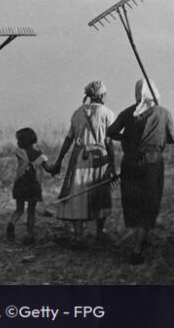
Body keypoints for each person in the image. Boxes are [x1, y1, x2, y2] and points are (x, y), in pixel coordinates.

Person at [107, 79, 174, 264]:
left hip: (130, 161)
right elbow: (173, 138)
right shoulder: (163, 112)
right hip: (152, 163)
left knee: (134, 201)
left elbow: (110, 132)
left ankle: (140, 238)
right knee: (149, 201)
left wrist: (126, 137)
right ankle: (138, 246)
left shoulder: (129, 112)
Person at [51, 80, 116, 243]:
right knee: (100, 194)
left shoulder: (78, 112)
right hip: (100, 158)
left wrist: (59, 160)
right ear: (101, 95)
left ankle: (78, 235)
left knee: (77, 196)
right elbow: (109, 141)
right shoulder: (107, 113)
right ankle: (99, 232)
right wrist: (113, 166)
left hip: (79, 158)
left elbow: (69, 139)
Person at [6, 127, 52, 245]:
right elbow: (47, 168)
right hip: (33, 185)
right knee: (31, 211)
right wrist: (54, 169)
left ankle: (12, 224)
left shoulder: (19, 152)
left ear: (22, 142)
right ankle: (29, 234)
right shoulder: (39, 155)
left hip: (20, 183)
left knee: (19, 209)